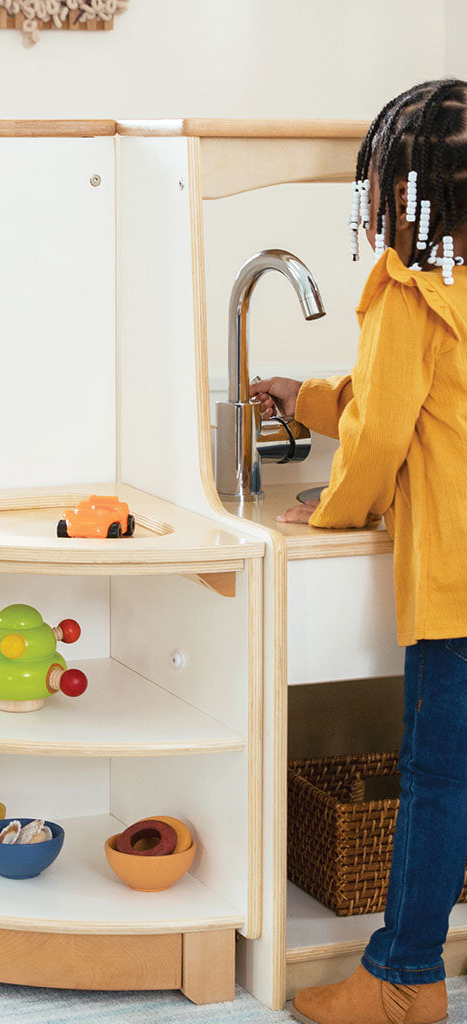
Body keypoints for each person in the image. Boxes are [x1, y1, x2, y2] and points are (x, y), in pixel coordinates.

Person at [252, 79, 467, 1024]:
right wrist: (303, 395)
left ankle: (403, 980)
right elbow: (405, 403)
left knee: (435, 781)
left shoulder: (405, 294)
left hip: (456, 588)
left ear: (394, 193)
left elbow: (380, 438)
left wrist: (331, 516)